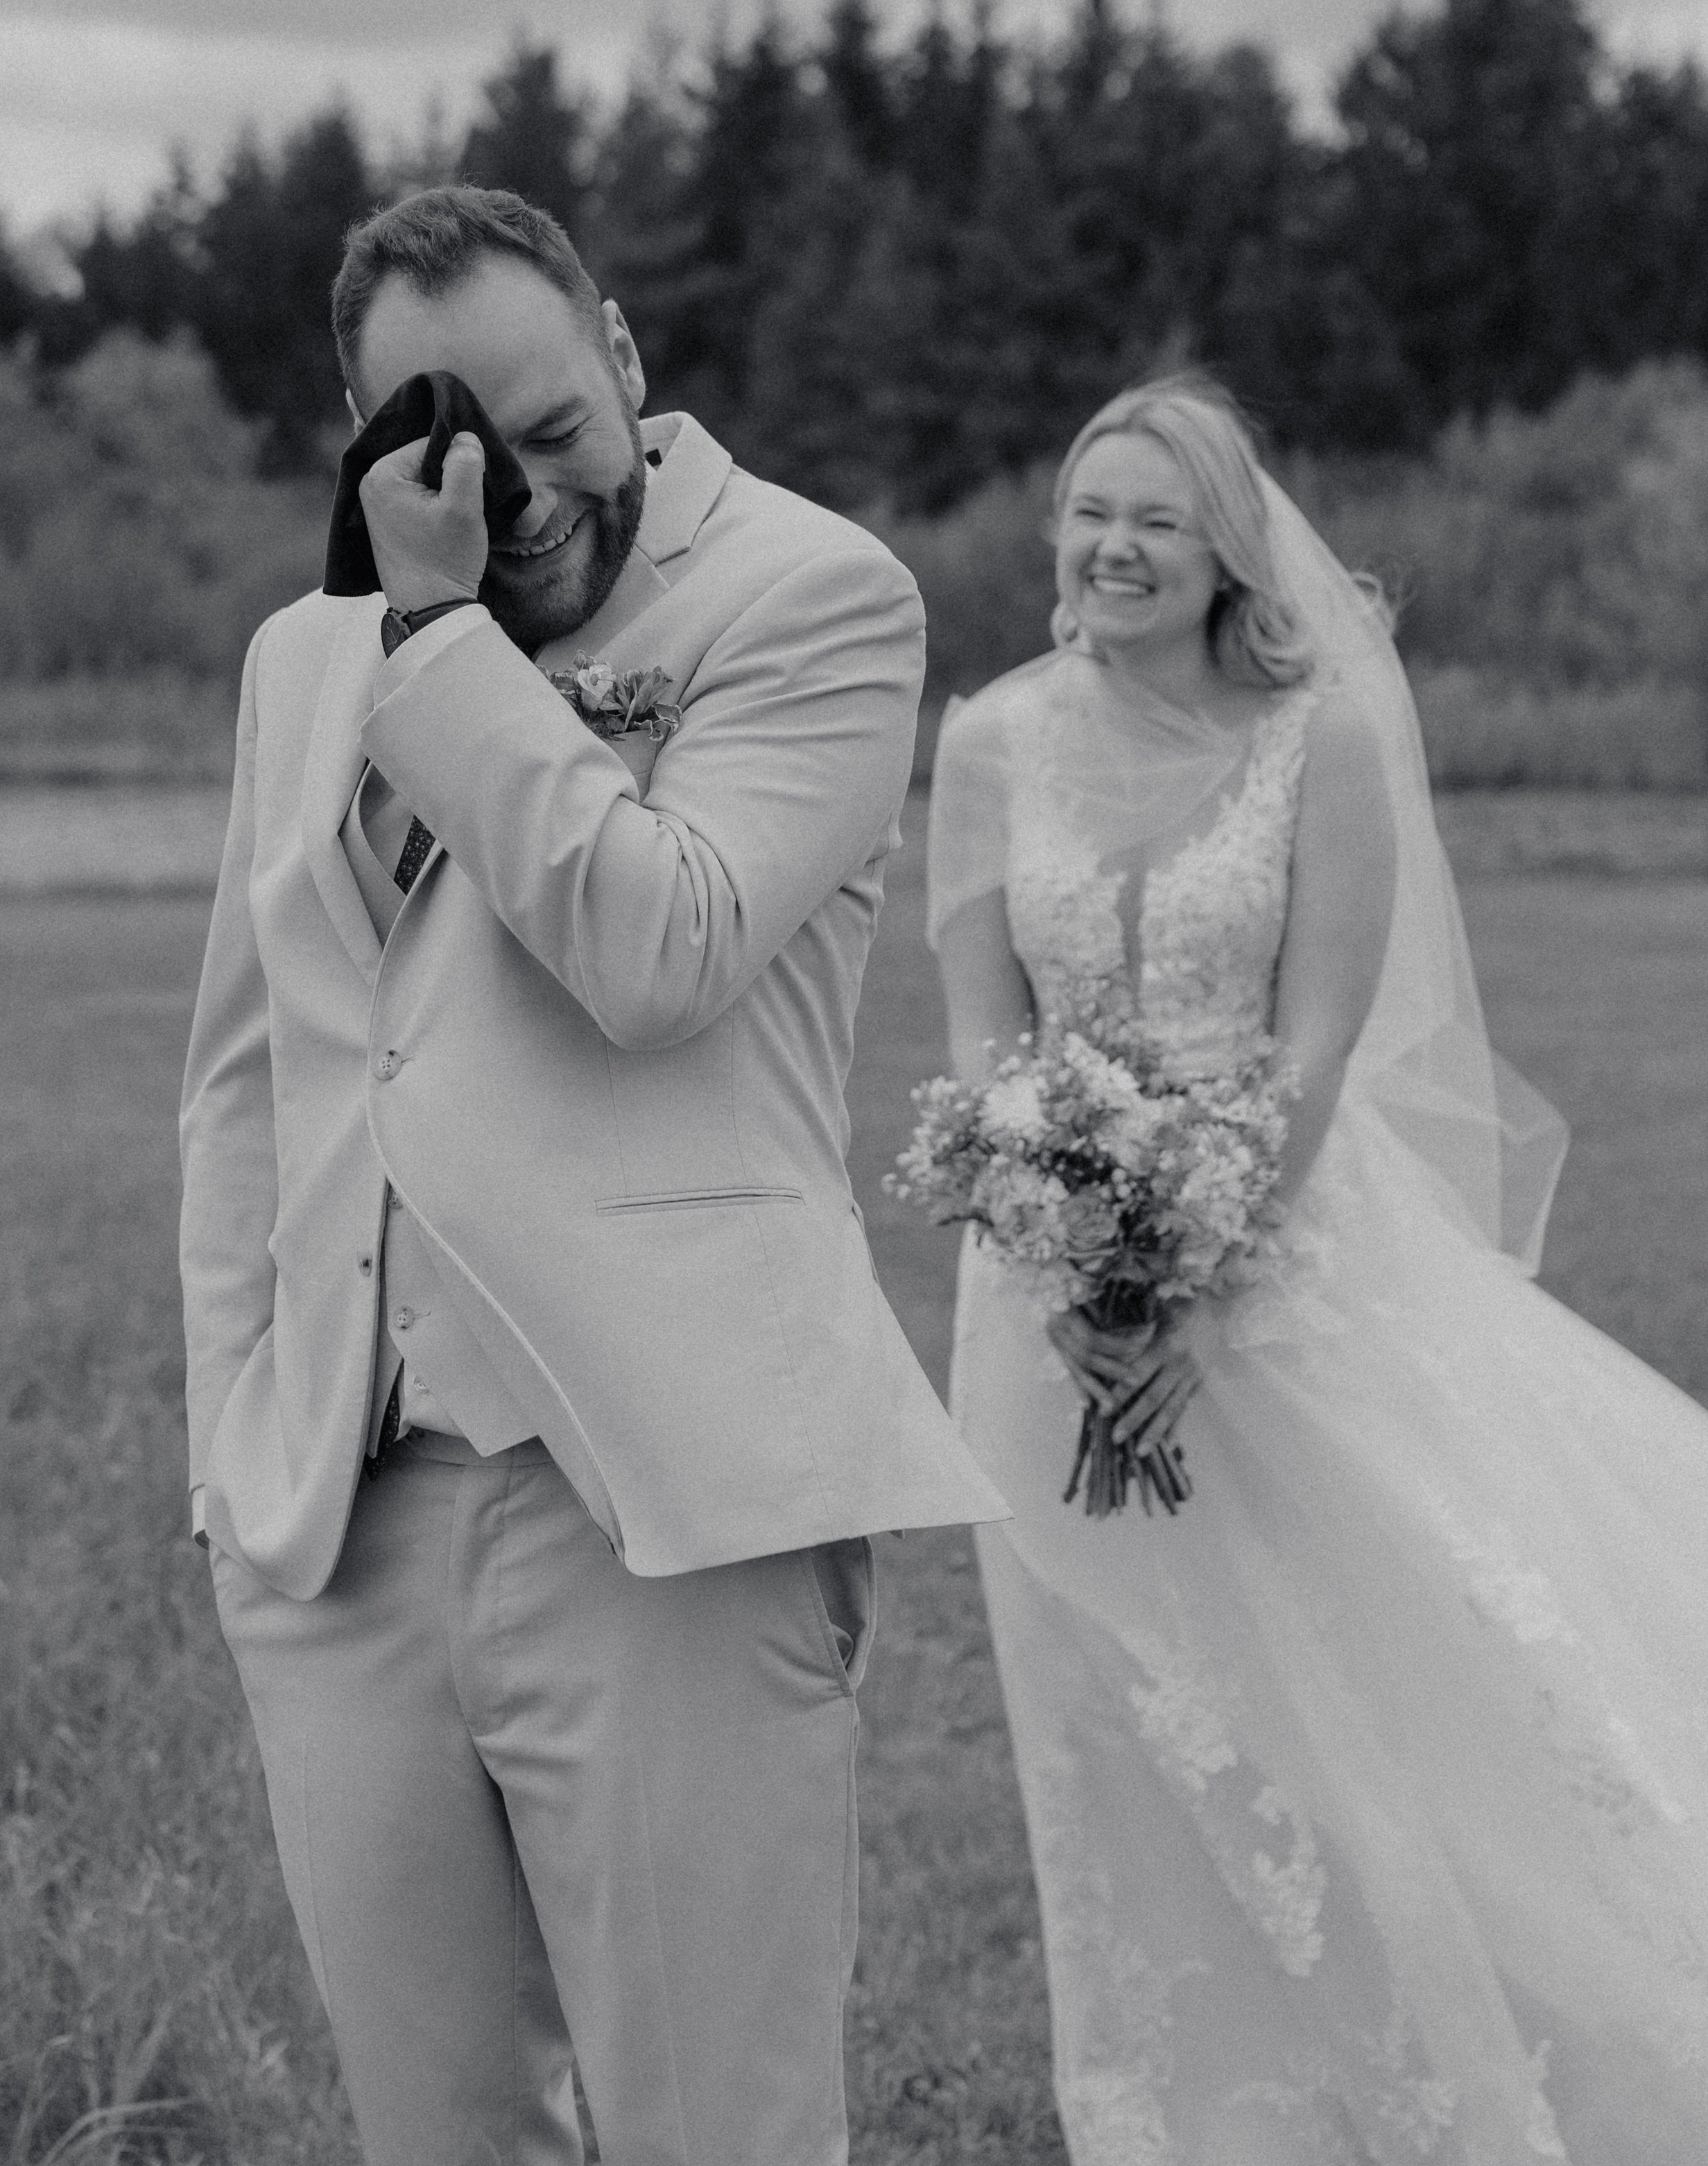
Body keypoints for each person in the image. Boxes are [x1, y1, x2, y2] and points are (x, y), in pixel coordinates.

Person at [180, 183, 1004, 2166]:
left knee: (715, 2129)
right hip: (344, 1519)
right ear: (372, 443)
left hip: (664, 1514)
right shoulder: (303, 659)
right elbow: (245, 1080)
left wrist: (448, 633)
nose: (528, 491)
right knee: (436, 2131)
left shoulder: (812, 593)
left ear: (626, 359)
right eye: (455, 445)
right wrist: (234, 1450)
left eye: (559, 433)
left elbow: (663, 950)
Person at [929, 370, 1708, 2164]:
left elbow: (1317, 1039)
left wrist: (1185, 1283)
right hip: (1037, 1298)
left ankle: (1487, 2063)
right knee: (1125, 1717)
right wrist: (1064, 1261)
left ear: (1226, 552)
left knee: (1386, 1678)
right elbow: (979, 1033)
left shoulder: (1315, 742)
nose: (1116, 546)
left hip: (1283, 1273)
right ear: (1055, 534)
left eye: (1159, 519)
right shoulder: (985, 742)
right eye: (1090, 511)